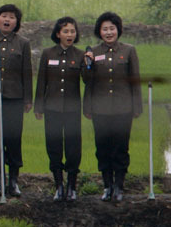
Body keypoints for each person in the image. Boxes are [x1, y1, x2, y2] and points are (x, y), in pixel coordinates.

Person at [83, 11, 142, 203]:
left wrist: (136, 106)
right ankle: (107, 185)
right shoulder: (93, 51)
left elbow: (135, 80)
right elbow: (87, 81)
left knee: (120, 147)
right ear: (99, 32)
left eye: (112, 28)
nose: (109, 32)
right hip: (100, 109)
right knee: (102, 148)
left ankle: (119, 186)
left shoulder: (128, 50)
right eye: (104, 29)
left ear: (118, 30)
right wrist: (88, 64)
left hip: (123, 109)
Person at [0, 4, 33, 198]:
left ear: (16, 22)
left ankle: (13, 181)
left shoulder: (23, 43)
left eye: (11, 17)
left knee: (13, 139)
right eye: (4, 16)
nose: (7, 20)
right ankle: (0, 180)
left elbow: (27, 73)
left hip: (14, 98)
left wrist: (28, 99)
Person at [34, 17, 85, 201]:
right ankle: (59, 186)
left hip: (72, 109)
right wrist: (38, 106)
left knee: (73, 148)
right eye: (66, 31)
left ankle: (72, 186)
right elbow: (42, 82)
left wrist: (89, 64)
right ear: (58, 34)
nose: (69, 35)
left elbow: (87, 79)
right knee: (54, 146)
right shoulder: (48, 54)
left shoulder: (80, 55)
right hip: (52, 108)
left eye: (72, 31)